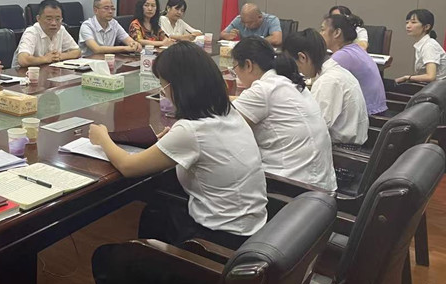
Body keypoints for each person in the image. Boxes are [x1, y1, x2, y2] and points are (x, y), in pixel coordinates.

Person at [88, 42, 267, 249]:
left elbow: (128, 166)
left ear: (179, 86)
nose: (163, 93)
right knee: (155, 212)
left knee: (107, 255)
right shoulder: (228, 112)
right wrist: (170, 143)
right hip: (252, 230)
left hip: (217, 240)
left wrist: (103, 138)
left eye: (163, 86)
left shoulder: (192, 130)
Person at [230, 37, 336, 191]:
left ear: (248, 65)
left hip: (292, 188)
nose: (236, 74)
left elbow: (225, 128)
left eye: (234, 68)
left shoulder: (263, 90)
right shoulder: (289, 81)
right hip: (320, 187)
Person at [283, 29, 368, 146]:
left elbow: (314, 129)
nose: (297, 71)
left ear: (302, 57)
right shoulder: (336, 71)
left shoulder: (328, 82)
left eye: (294, 64)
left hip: (342, 150)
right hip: (347, 144)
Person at [320, 14, 387, 115]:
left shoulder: (343, 56)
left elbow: (321, 83)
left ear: (337, 33)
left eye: (323, 30)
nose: (320, 34)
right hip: (377, 110)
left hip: (369, 116)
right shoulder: (355, 49)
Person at [13, 0, 80, 69]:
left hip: (49, 71)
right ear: (38, 19)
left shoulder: (61, 30)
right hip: (23, 73)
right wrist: (45, 58)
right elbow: (23, 60)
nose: (54, 23)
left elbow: (77, 51)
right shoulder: (31, 32)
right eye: (49, 19)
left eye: (57, 19)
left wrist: (60, 56)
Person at [396, 9, 446, 84]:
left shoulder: (429, 46)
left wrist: (407, 77)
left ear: (426, 27)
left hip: (438, 88)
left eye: (413, 22)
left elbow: (430, 76)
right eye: (407, 22)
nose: (408, 26)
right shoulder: (424, 43)